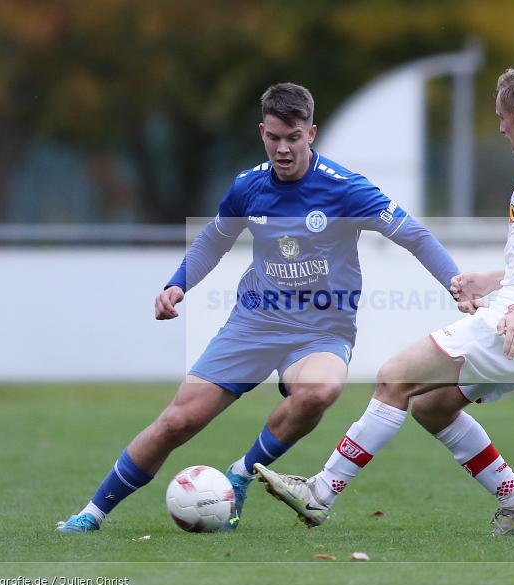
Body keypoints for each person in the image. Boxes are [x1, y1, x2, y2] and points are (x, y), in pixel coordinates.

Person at [56, 82, 460, 533]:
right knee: (177, 421)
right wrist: (177, 284)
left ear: (312, 133)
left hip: (321, 331)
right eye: (274, 138)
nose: (282, 149)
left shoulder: (345, 189)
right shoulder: (248, 187)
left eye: (293, 138)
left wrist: (455, 282)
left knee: (321, 390)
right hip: (254, 323)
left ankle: (242, 473)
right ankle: (92, 513)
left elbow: (415, 235)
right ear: (262, 131)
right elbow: (214, 238)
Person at [256, 65, 514, 536]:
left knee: (394, 377)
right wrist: (493, 282)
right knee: (432, 406)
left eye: (501, 117)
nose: (499, 128)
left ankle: (320, 493)